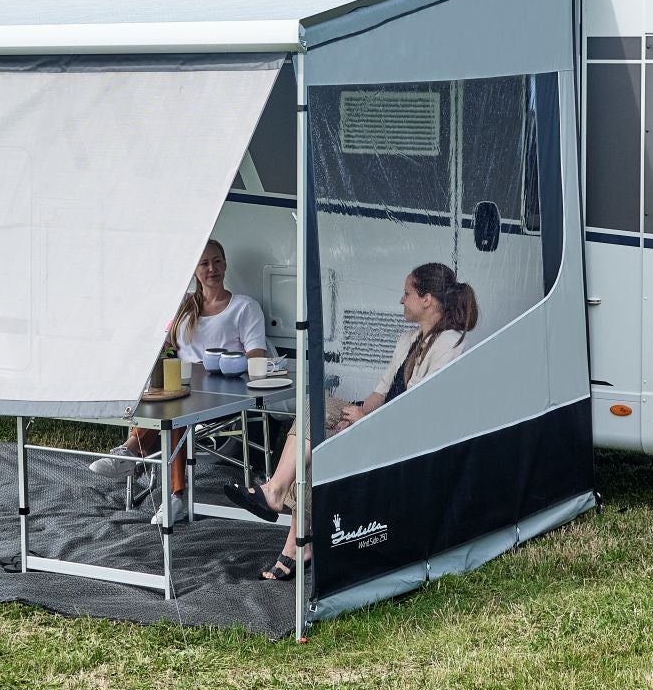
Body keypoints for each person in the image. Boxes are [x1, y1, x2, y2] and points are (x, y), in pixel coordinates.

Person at [247, 262, 477, 581]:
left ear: (427, 299)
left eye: (407, 293)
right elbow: (380, 392)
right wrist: (354, 415)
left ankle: (292, 536)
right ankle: (282, 502)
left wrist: (364, 419)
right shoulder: (408, 340)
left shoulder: (450, 344)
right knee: (318, 410)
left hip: (407, 436)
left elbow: (421, 410)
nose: (401, 300)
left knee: (316, 448)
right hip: (381, 421)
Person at [90, 238, 270, 478]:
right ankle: (163, 486)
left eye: (217, 262)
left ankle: (132, 456)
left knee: (176, 409)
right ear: (195, 270)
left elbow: (257, 356)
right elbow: (165, 346)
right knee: (162, 400)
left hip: (222, 392)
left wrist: (225, 367)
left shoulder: (244, 307)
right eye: (204, 263)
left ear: (225, 265)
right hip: (179, 386)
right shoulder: (184, 305)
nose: (212, 269)